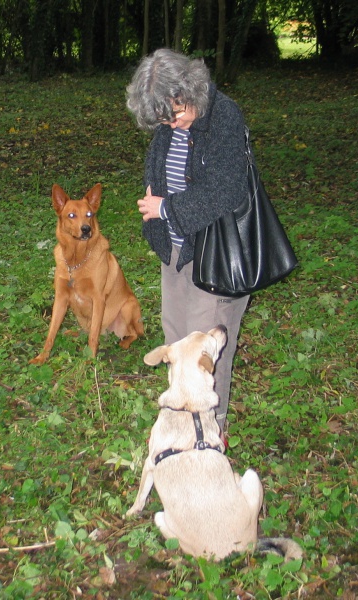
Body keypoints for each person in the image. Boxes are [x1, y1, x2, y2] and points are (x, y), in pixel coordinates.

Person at [126, 48, 251, 435]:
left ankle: (211, 432)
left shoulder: (224, 117)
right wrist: (162, 219)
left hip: (214, 254)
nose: (172, 125)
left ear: (191, 90)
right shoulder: (171, 119)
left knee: (204, 354)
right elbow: (161, 170)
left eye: (176, 114)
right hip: (177, 251)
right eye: (163, 120)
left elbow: (224, 190)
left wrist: (166, 209)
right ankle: (182, 425)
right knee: (176, 342)